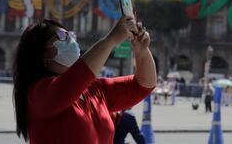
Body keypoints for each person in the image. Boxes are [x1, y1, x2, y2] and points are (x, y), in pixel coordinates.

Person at [12, 17, 156, 143]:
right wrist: (110, 40)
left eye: (71, 35)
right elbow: (75, 79)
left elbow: (143, 85)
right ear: (42, 54)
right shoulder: (38, 93)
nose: (71, 40)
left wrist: (141, 50)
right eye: (62, 36)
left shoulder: (94, 88)